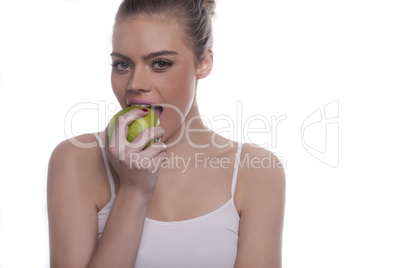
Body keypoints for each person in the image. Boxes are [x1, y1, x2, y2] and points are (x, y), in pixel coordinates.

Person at [47, 0, 286, 267]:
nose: (135, 84)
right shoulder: (76, 160)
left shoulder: (255, 171)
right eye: (122, 65)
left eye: (160, 63)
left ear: (204, 63)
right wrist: (134, 191)